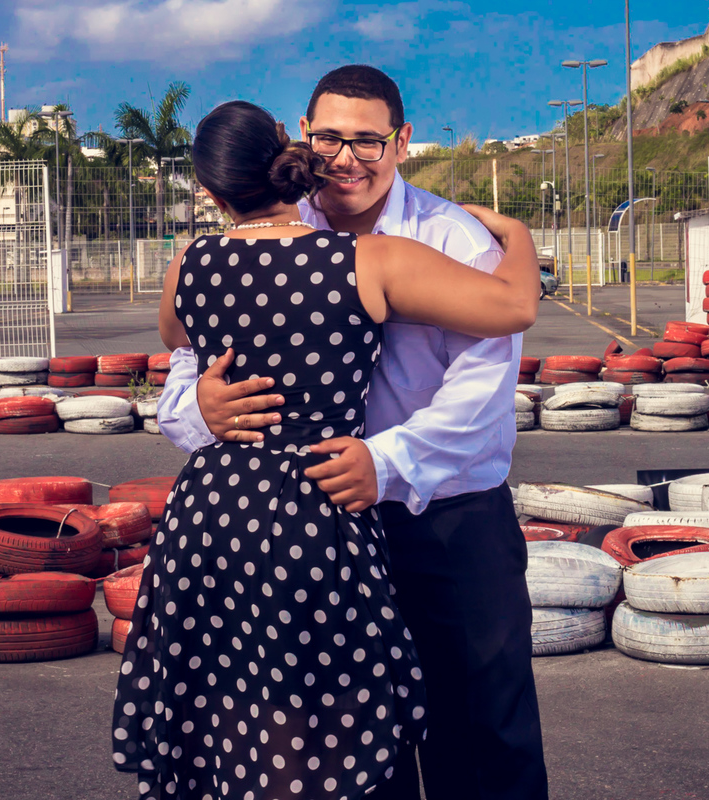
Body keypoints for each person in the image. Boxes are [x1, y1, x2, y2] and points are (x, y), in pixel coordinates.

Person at [113, 99, 539, 799]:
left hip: (227, 518)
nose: (347, 157)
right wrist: (519, 235)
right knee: (343, 726)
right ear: (296, 142)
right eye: (332, 139)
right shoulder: (365, 258)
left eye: (367, 141)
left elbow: (179, 340)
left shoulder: (192, 262)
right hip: (319, 513)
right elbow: (514, 306)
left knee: (252, 714)